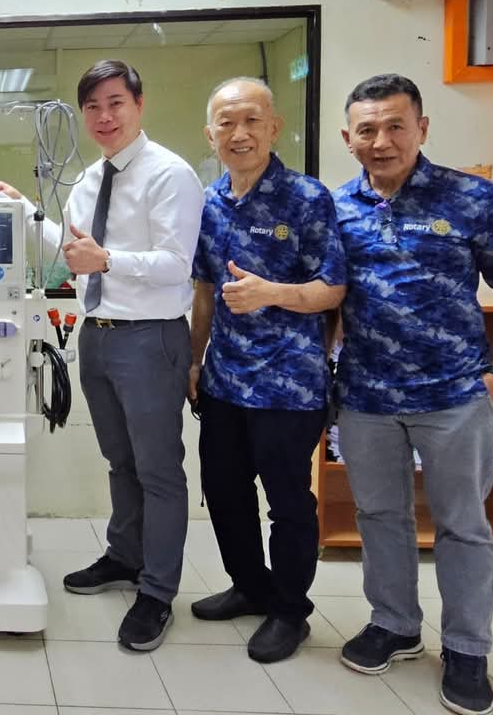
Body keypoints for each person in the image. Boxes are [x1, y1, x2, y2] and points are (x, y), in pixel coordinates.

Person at [332, 74, 493, 715]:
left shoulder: (473, 198)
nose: (382, 141)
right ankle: (395, 624)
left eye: (396, 126)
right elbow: (327, 300)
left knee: (462, 526)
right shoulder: (335, 207)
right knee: (379, 517)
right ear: (348, 138)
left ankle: (468, 648)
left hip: (454, 394)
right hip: (365, 396)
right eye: (367, 129)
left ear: (422, 128)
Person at [0, 58, 203, 651]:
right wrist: (24, 210)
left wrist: (107, 260)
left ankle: (157, 591)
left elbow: (176, 265)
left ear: (139, 104)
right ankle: (125, 556)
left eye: (115, 103)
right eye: (93, 107)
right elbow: (70, 251)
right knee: (120, 460)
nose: (104, 117)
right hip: (99, 336)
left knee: (158, 469)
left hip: (151, 337)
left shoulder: (170, 174)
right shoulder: (89, 180)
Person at [187, 78, 346, 663]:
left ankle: (290, 610)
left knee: (287, 502)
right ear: (210, 134)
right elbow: (204, 291)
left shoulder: (307, 198)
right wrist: (194, 358)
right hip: (224, 381)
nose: (240, 133)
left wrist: (272, 293)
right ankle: (251, 586)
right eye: (226, 123)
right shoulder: (208, 201)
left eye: (252, 120)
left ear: (274, 128)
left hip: (288, 384)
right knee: (224, 491)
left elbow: (333, 289)